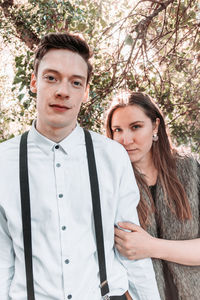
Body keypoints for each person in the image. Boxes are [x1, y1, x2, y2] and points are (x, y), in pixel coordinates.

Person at [0, 33, 161, 300]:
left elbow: (132, 252)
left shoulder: (112, 156)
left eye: (76, 82)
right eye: (51, 77)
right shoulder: (3, 161)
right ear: (34, 82)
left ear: (85, 92)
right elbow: (2, 260)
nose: (63, 91)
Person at [105, 91, 200, 300]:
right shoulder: (108, 184)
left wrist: (151, 247)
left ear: (155, 126)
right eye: (117, 130)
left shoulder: (190, 170)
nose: (125, 139)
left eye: (135, 127)